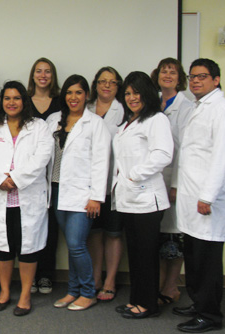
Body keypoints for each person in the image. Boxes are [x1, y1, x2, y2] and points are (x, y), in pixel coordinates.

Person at [172, 58, 225, 333]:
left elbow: (223, 159)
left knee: (208, 260)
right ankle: (199, 303)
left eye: (202, 76)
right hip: (191, 197)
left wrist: (207, 197)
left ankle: (210, 315)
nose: (196, 81)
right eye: (192, 77)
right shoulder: (197, 108)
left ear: (216, 79)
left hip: (207, 200)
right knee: (194, 256)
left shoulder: (224, 110)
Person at [0, 81, 54, 316]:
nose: (12, 102)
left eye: (17, 98)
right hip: (1, 196)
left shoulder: (39, 127)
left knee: (28, 248)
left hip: (28, 196)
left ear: (24, 101)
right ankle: (4, 292)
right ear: (2, 101)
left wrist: (16, 178)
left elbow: (42, 157)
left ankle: (24, 295)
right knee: (4, 247)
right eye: (7, 98)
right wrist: (0, 180)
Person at [112, 72, 173, 319]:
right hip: (129, 199)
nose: (131, 97)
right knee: (135, 254)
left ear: (147, 93)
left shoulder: (156, 119)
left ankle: (148, 304)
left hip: (147, 199)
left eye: (136, 92)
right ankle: (136, 300)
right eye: (127, 93)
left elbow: (163, 155)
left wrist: (134, 175)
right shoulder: (130, 122)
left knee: (146, 255)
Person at [47, 75, 111, 311]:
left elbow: (101, 161)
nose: (73, 97)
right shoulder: (54, 120)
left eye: (78, 93)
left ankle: (87, 291)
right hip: (56, 189)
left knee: (76, 244)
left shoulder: (95, 123)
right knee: (72, 244)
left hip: (82, 194)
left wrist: (96, 196)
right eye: (69, 93)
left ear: (86, 95)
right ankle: (72, 291)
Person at [150, 58, 194, 306]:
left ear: (180, 78)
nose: (167, 75)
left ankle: (171, 285)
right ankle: (157, 283)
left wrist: (176, 183)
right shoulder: (152, 103)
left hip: (174, 181)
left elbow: (185, 150)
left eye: (173, 72)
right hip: (153, 180)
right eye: (164, 71)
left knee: (174, 236)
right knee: (156, 235)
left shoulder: (187, 108)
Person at [85, 66, 125, 302]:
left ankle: (109, 281)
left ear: (118, 86)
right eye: (102, 81)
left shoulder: (124, 110)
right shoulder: (86, 108)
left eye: (112, 82)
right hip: (89, 184)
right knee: (94, 233)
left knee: (113, 233)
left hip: (113, 183)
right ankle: (95, 278)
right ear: (96, 85)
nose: (107, 85)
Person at [26, 57, 62, 294]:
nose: (43, 75)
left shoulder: (61, 101)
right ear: (32, 75)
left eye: (47, 71)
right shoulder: (23, 101)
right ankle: (31, 275)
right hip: (28, 173)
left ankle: (46, 275)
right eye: (39, 71)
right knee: (31, 226)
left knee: (51, 226)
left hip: (55, 172)